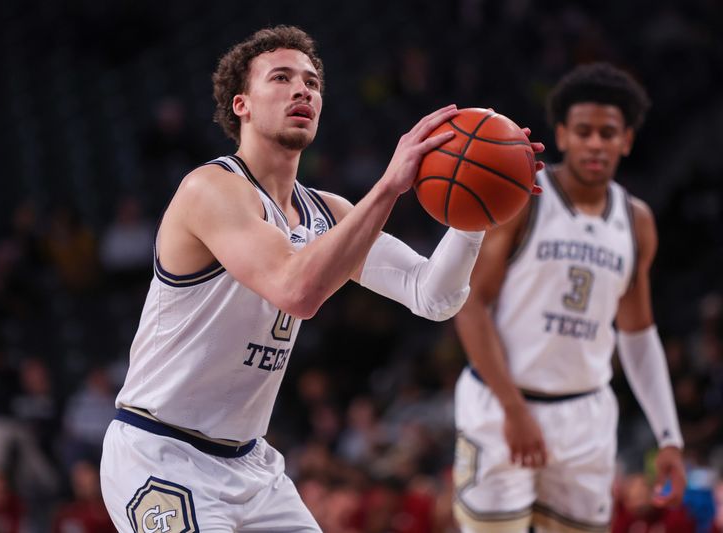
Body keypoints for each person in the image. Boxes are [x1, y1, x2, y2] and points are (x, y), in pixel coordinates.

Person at [100, 25, 542, 532]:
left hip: (249, 464)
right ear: (241, 104)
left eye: (312, 82)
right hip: (161, 454)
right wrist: (389, 186)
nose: (302, 90)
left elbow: (433, 296)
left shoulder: (325, 212)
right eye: (281, 78)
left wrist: (476, 210)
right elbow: (297, 290)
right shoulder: (211, 189)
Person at [452, 62, 686, 533]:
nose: (595, 143)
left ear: (626, 141)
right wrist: (514, 410)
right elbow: (470, 304)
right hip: (501, 406)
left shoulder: (636, 220)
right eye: (583, 131)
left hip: (586, 416)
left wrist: (669, 437)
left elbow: (638, 337)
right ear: (562, 134)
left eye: (607, 132)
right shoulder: (524, 199)